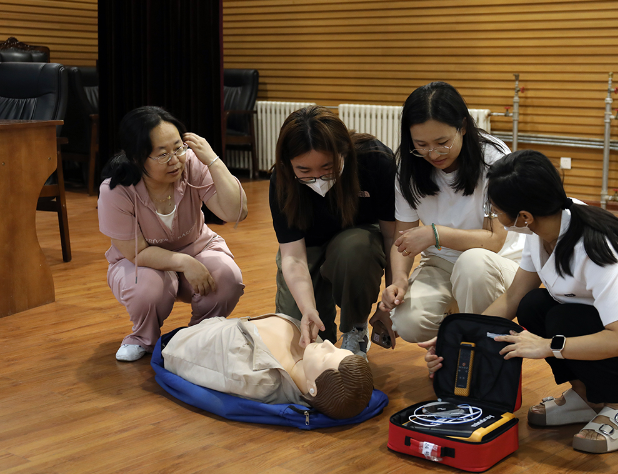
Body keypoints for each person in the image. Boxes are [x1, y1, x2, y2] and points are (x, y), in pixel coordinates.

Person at [423, 149, 618, 453]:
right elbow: (514, 297)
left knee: (565, 320)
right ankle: (587, 397)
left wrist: (547, 346)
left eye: (496, 209)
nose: (494, 215)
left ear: (524, 217)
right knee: (534, 305)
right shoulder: (544, 225)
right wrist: (458, 338)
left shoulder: (595, 249)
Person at [375, 82, 524, 345]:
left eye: (442, 142)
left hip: (497, 261)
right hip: (442, 263)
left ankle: (472, 347)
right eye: (421, 144)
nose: (432, 154)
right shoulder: (409, 169)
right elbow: (402, 238)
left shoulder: (493, 158)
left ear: (463, 127)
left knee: (472, 264)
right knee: (408, 322)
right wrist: (399, 280)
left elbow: (495, 239)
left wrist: (435, 234)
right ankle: (458, 323)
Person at [98, 106, 247, 362]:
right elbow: (136, 252)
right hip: (141, 261)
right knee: (147, 288)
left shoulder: (192, 165)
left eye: (178, 148)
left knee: (227, 277)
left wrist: (213, 160)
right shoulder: (116, 190)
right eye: (162, 154)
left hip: (197, 248)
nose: (175, 159)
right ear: (137, 157)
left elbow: (236, 212)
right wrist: (184, 263)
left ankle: (199, 335)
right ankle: (143, 338)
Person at [269, 105, 396, 359]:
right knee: (302, 337)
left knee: (355, 251)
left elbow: (392, 236)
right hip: (307, 248)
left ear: (344, 151)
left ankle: (356, 328)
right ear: (288, 164)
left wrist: (390, 303)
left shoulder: (375, 161)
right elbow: (293, 257)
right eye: (304, 171)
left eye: (327, 167)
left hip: (356, 240)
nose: (318, 178)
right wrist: (307, 309)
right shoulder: (281, 181)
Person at [162, 314, 374, 419]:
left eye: (327, 357)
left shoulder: (258, 378)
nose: (327, 343)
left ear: (313, 388)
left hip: (187, 340)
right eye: (337, 349)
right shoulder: (310, 345)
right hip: (214, 326)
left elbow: (182, 355)